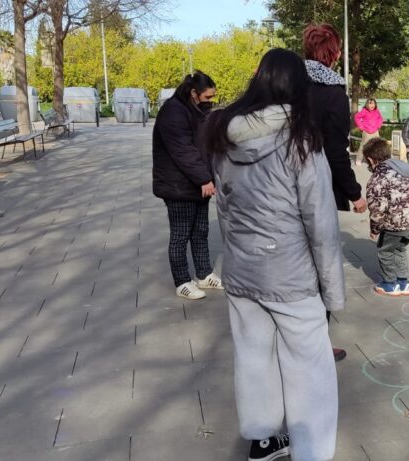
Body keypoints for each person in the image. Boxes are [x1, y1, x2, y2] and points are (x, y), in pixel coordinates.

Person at [203, 48, 343, 461]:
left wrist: (236, 257)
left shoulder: (223, 136)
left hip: (242, 269)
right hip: (290, 273)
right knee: (310, 367)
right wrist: (333, 293)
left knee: (253, 356)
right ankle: (311, 452)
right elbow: (321, 225)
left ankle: (262, 439)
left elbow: (225, 210)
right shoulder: (302, 141)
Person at [304, 22, 363, 362]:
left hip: (277, 186)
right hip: (316, 189)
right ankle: (317, 345)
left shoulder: (286, 85)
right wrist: (355, 193)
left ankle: (290, 341)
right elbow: (336, 153)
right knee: (321, 267)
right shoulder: (332, 92)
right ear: (334, 53)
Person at [151, 71, 223, 300]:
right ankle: (182, 281)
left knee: (200, 231)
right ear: (194, 93)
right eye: (208, 97)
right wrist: (204, 178)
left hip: (198, 183)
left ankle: (204, 274)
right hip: (178, 185)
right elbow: (183, 150)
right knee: (181, 234)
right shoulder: (174, 111)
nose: (211, 101)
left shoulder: (197, 110)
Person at [363, 138, 409, 297]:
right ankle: (403, 282)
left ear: (371, 160)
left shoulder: (378, 177)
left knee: (385, 251)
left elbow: (377, 209)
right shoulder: (408, 170)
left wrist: (375, 229)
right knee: (399, 248)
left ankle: (389, 284)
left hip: (394, 225)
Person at [354, 98, 383, 166]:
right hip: (367, 131)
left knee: (376, 146)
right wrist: (361, 127)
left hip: (375, 131)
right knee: (364, 145)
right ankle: (358, 159)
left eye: (373, 103)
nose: (372, 105)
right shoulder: (364, 111)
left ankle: (375, 160)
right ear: (367, 104)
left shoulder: (377, 111)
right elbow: (356, 117)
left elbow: (380, 118)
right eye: (370, 103)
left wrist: (378, 126)